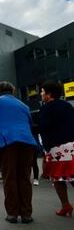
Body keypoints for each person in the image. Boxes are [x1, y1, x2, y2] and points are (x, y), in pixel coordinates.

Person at [0, 82, 37, 223]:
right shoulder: (24, 106)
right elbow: (30, 125)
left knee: (10, 177)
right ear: (12, 91)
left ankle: (12, 213)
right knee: (25, 177)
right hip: (27, 142)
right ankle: (26, 213)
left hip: (7, 142)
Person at [38, 80, 74, 217]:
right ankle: (66, 206)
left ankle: (66, 205)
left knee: (58, 179)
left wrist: (29, 128)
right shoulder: (68, 106)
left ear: (49, 94)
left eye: (42, 91)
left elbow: (44, 127)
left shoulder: (47, 108)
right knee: (72, 175)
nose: (41, 94)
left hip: (58, 148)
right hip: (72, 145)